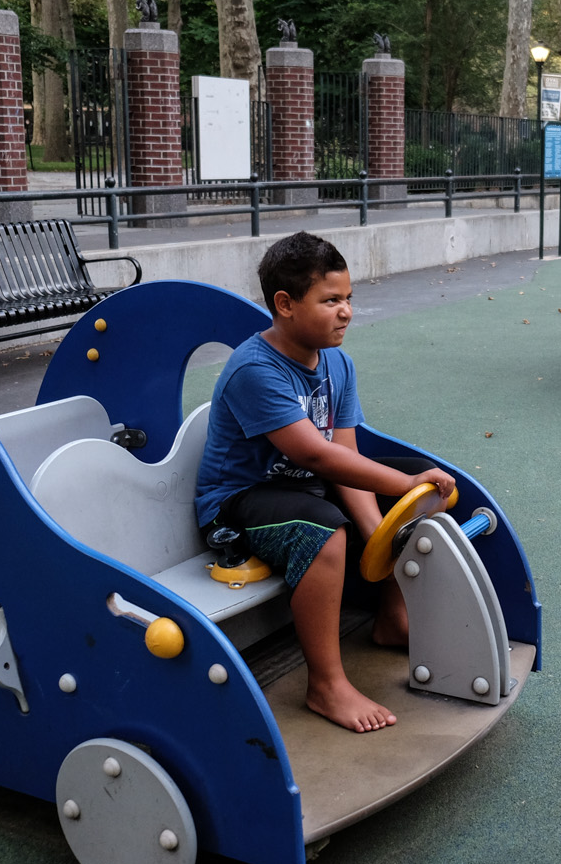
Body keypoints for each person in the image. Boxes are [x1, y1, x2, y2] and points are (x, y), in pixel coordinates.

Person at [194, 232, 456, 733]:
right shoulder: (256, 369)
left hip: (306, 485)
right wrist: (402, 485)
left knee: (422, 498)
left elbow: (345, 456)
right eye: (331, 300)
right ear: (285, 304)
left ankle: (392, 619)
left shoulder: (337, 362)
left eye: (349, 298)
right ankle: (325, 684)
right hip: (239, 503)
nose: (346, 312)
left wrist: (384, 528)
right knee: (325, 526)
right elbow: (314, 454)